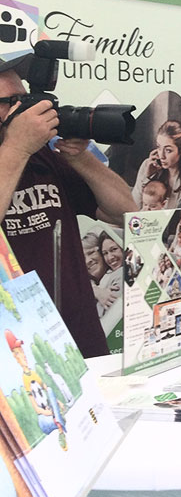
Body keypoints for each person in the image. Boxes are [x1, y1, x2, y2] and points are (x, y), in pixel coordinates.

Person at [0, 54, 136, 358]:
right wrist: (16, 147)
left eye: (25, 99)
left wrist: (81, 157)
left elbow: (125, 211)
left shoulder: (42, 157)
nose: (25, 110)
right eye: (12, 102)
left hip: (79, 335)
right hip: (16, 350)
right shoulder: (21, 151)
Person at [132, 120, 181, 209]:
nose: (161, 156)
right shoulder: (148, 165)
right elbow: (133, 206)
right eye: (159, 147)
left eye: (168, 150)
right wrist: (147, 178)